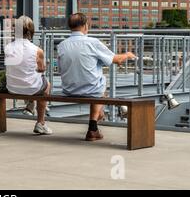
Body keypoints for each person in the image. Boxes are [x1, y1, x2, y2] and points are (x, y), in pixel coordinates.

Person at [57, 13, 136, 141]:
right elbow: (116, 60)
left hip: (68, 90)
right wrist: (127, 54)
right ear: (85, 26)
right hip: (91, 90)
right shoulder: (92, 42)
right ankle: (94, 124)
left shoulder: (62, 45)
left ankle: (95, 125)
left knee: (95, 81)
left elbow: (61, 69)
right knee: (99, 84)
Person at [5, 16, 52, 135]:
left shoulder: (8, 48)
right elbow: (41, 70)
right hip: (30, 87)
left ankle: (30, 105)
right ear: (31, 31)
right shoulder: (37, 50)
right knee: (46, 85)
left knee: (26, 77)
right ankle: (40, 123)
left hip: (12, 88)